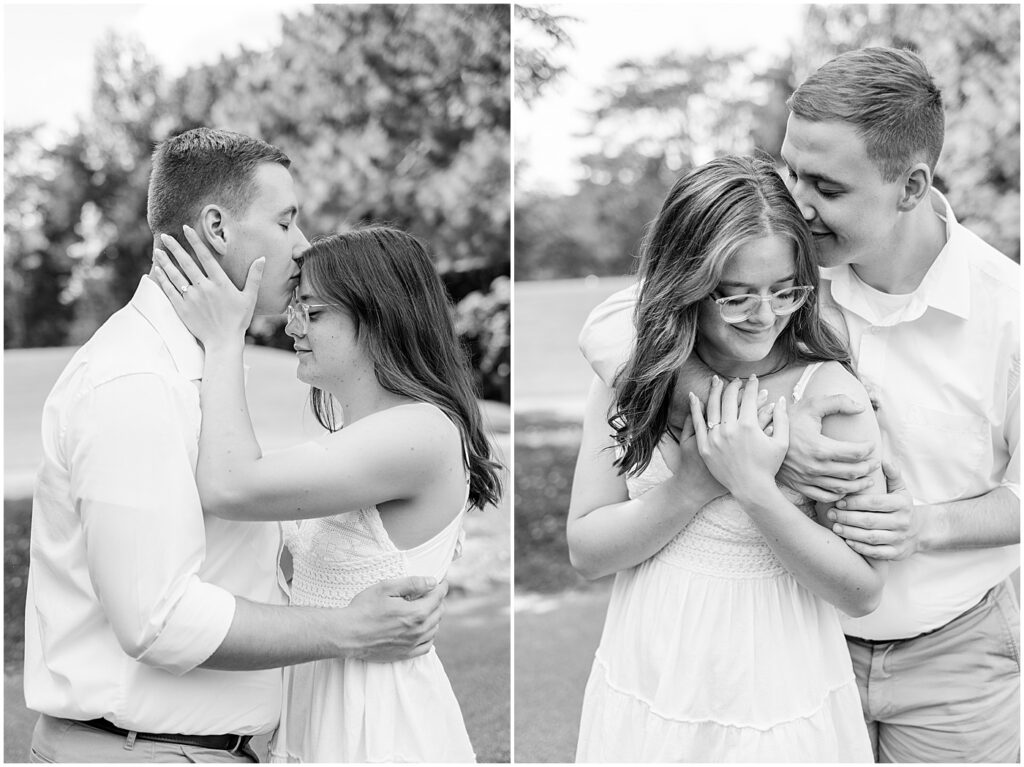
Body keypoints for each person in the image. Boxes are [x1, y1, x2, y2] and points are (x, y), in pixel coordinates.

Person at [579, 47, 1019, 762]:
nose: (798, 201)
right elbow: (613, 325)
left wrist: (922, 524)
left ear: (910, 186)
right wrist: (751, 428)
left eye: (826, 185)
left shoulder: (1010, 313)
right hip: (793, 644)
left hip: (952, 653)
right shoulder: (780, 269)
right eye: (790, 171)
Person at [24, 128, 448, 764]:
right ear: (217, 228)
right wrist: (348, 629)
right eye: (285, 222)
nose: (303, 247)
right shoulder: (136, 382)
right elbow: (158, 618)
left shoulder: (196, 368)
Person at [569, 154, 887, 762]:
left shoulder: (828, 400)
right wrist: (688, 486)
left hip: (774, 687)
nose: (765, 316)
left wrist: (754, 488)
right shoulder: (633, 381)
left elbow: (861, 590)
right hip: (652, 667)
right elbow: (586, 551)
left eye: (786, 291)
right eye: (736, 298)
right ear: (683, 285)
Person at [149, 223, 502, 763]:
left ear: (380, 317)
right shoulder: (364, 436)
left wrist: (225, 339)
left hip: (376, 721)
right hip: (319, 699)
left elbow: (229, 484)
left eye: (314, 313)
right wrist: (278, 240)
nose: (294, 326)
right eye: (298, 309)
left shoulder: (419, 433)